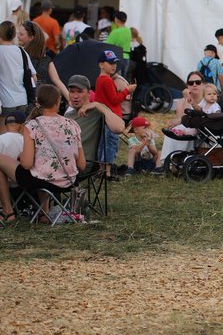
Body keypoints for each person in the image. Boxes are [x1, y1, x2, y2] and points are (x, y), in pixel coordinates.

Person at [0, 84, 84, 223]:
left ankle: (8, 212)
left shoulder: (32, 126)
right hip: (69, 181)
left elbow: (26, 164)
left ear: (39, 102)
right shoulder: (72, 124)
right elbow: (81, 164)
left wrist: (22, 156)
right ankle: (44, 213)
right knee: (42, 166)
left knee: (36, 168)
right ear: (58, 101)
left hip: (41, 181)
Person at [62, 75, 125, 172]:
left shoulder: (97, 112)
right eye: (72, 91)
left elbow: (119, 128)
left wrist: (97, 105)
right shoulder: (68, 115)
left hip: (81, 165)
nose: (75, 96)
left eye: (79, 91)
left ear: (88, 93)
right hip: (64, 161)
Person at [94, 49, 134, 176]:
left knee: (104, 144)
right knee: (110, 144)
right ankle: (107, 172)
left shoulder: (101, 79)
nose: (114, 66)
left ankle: (102, 170)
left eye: (115, 63)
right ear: (101, 64)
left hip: (106, 117)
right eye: (110, 63)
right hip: (112, 118)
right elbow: (115, 99)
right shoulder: (107, 80)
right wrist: (127, 90)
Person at [156, 71, 206, 171]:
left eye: (198, 82)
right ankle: (167, 161)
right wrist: (188, 99)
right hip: (187, 128)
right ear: (187, 86)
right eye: (191, 83)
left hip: (201, 129)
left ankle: (168, 162)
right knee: (174, 129)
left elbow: (184, 121)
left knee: (180, 128)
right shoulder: (181, 101)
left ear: (203, 84)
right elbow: (183, 119)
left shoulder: (207, 100)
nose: (194, 85)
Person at [0, 20, 36, 116]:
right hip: (22, 100)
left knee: (6, 131)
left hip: (6, 101)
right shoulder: (21, 51)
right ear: (13, 35)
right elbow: (34, 77)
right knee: (18, 130)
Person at [18, 20, 53, 91]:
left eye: (21, 34)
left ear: (31, 38)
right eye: (18, 33)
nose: (18, 36)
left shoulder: (21, 55)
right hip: (41, 95)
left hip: (28, 95)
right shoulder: (45, 57)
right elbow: (57, 80)